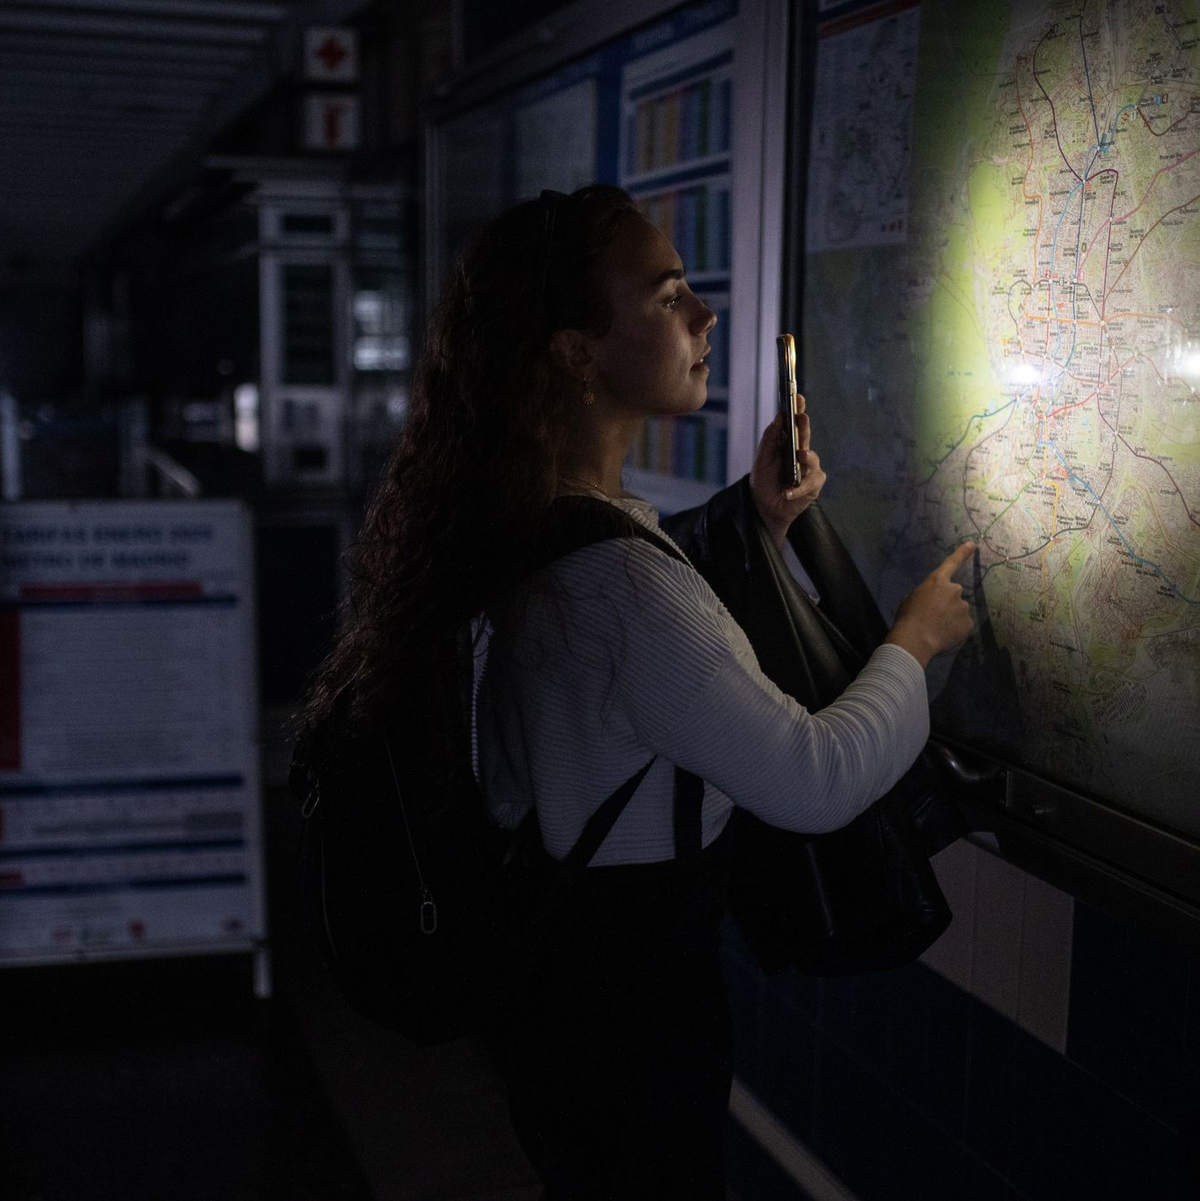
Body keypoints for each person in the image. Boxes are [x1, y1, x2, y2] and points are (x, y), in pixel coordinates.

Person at [299, 184, 974, 1198]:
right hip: (635, 1023)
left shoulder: (526, 522)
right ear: (576, 351)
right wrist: (916, 639)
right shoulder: (615, 584)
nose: (704, 316)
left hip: (559, 1000)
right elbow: (816, 777)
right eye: (667, 297)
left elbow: (638, 642)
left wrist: (757, 517)